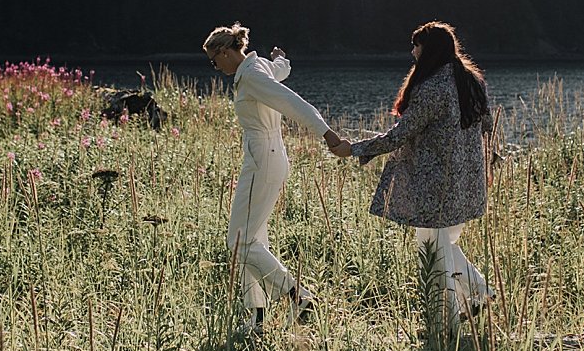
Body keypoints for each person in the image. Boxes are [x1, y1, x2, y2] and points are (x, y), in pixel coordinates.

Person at [203, 22, 352, 331]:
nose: (214, 67)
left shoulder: (253, 75)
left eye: (213, 60)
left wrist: (327, 134)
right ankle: (256, 317)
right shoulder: (258, 67)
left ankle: (298, 295)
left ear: (225, 52)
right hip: (268, 158)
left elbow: (290, 102)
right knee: (251, 238)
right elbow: (279, 70)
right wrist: (282, 58)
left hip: (263, 161)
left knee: (239, 242)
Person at [348, 21, 495, 325]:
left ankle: (471, 299)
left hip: (436, 183)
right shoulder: (471, 81)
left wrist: (357, 149)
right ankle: (460, 308)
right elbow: (487, 126)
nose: (412, 51)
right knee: (435, 247)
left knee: (434, 250)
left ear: (429, 50)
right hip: (465, 179)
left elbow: (401, 133)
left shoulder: (433, 88)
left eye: (416, 45)